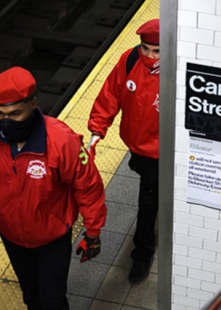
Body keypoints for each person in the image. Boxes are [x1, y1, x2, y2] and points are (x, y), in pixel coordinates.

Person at [0, 67, 107, 310]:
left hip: (52, 237)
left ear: (33, 104)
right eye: (0, 113)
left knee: (53, 302)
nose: (6, 121)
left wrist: (93, 231)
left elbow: (88, 186)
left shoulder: (61, 140)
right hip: (11, 236)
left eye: (15, 113)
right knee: (31, 296)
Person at [87, 19, 159, 283]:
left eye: (157, 51)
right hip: (137, 145)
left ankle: (142, 253)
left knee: (147, 203)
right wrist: (97, 130)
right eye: (146, 49)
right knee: (150, 191)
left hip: (161, 153)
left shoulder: (177, 71)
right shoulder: (129, 60)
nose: (150, 56)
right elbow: (110, 95)